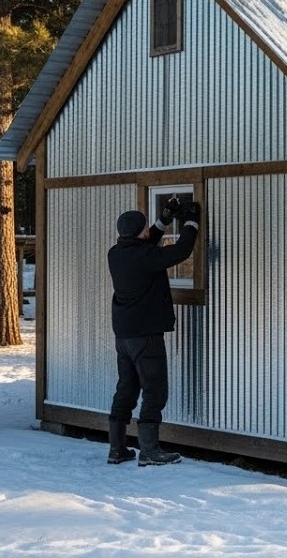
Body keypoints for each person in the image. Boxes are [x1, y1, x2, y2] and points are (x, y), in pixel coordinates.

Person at [106, 197, 201, 466]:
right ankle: (149, 451)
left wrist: (164, 219)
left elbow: (145, 244)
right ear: (139, 231)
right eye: (147, 226)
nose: (149, 230)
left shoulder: (116, 252)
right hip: (146, 335)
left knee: (126, 387)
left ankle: (117, 449)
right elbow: (180, 251)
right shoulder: (145, 256)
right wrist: (192, 221)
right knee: (155, 390)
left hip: (124, 335)